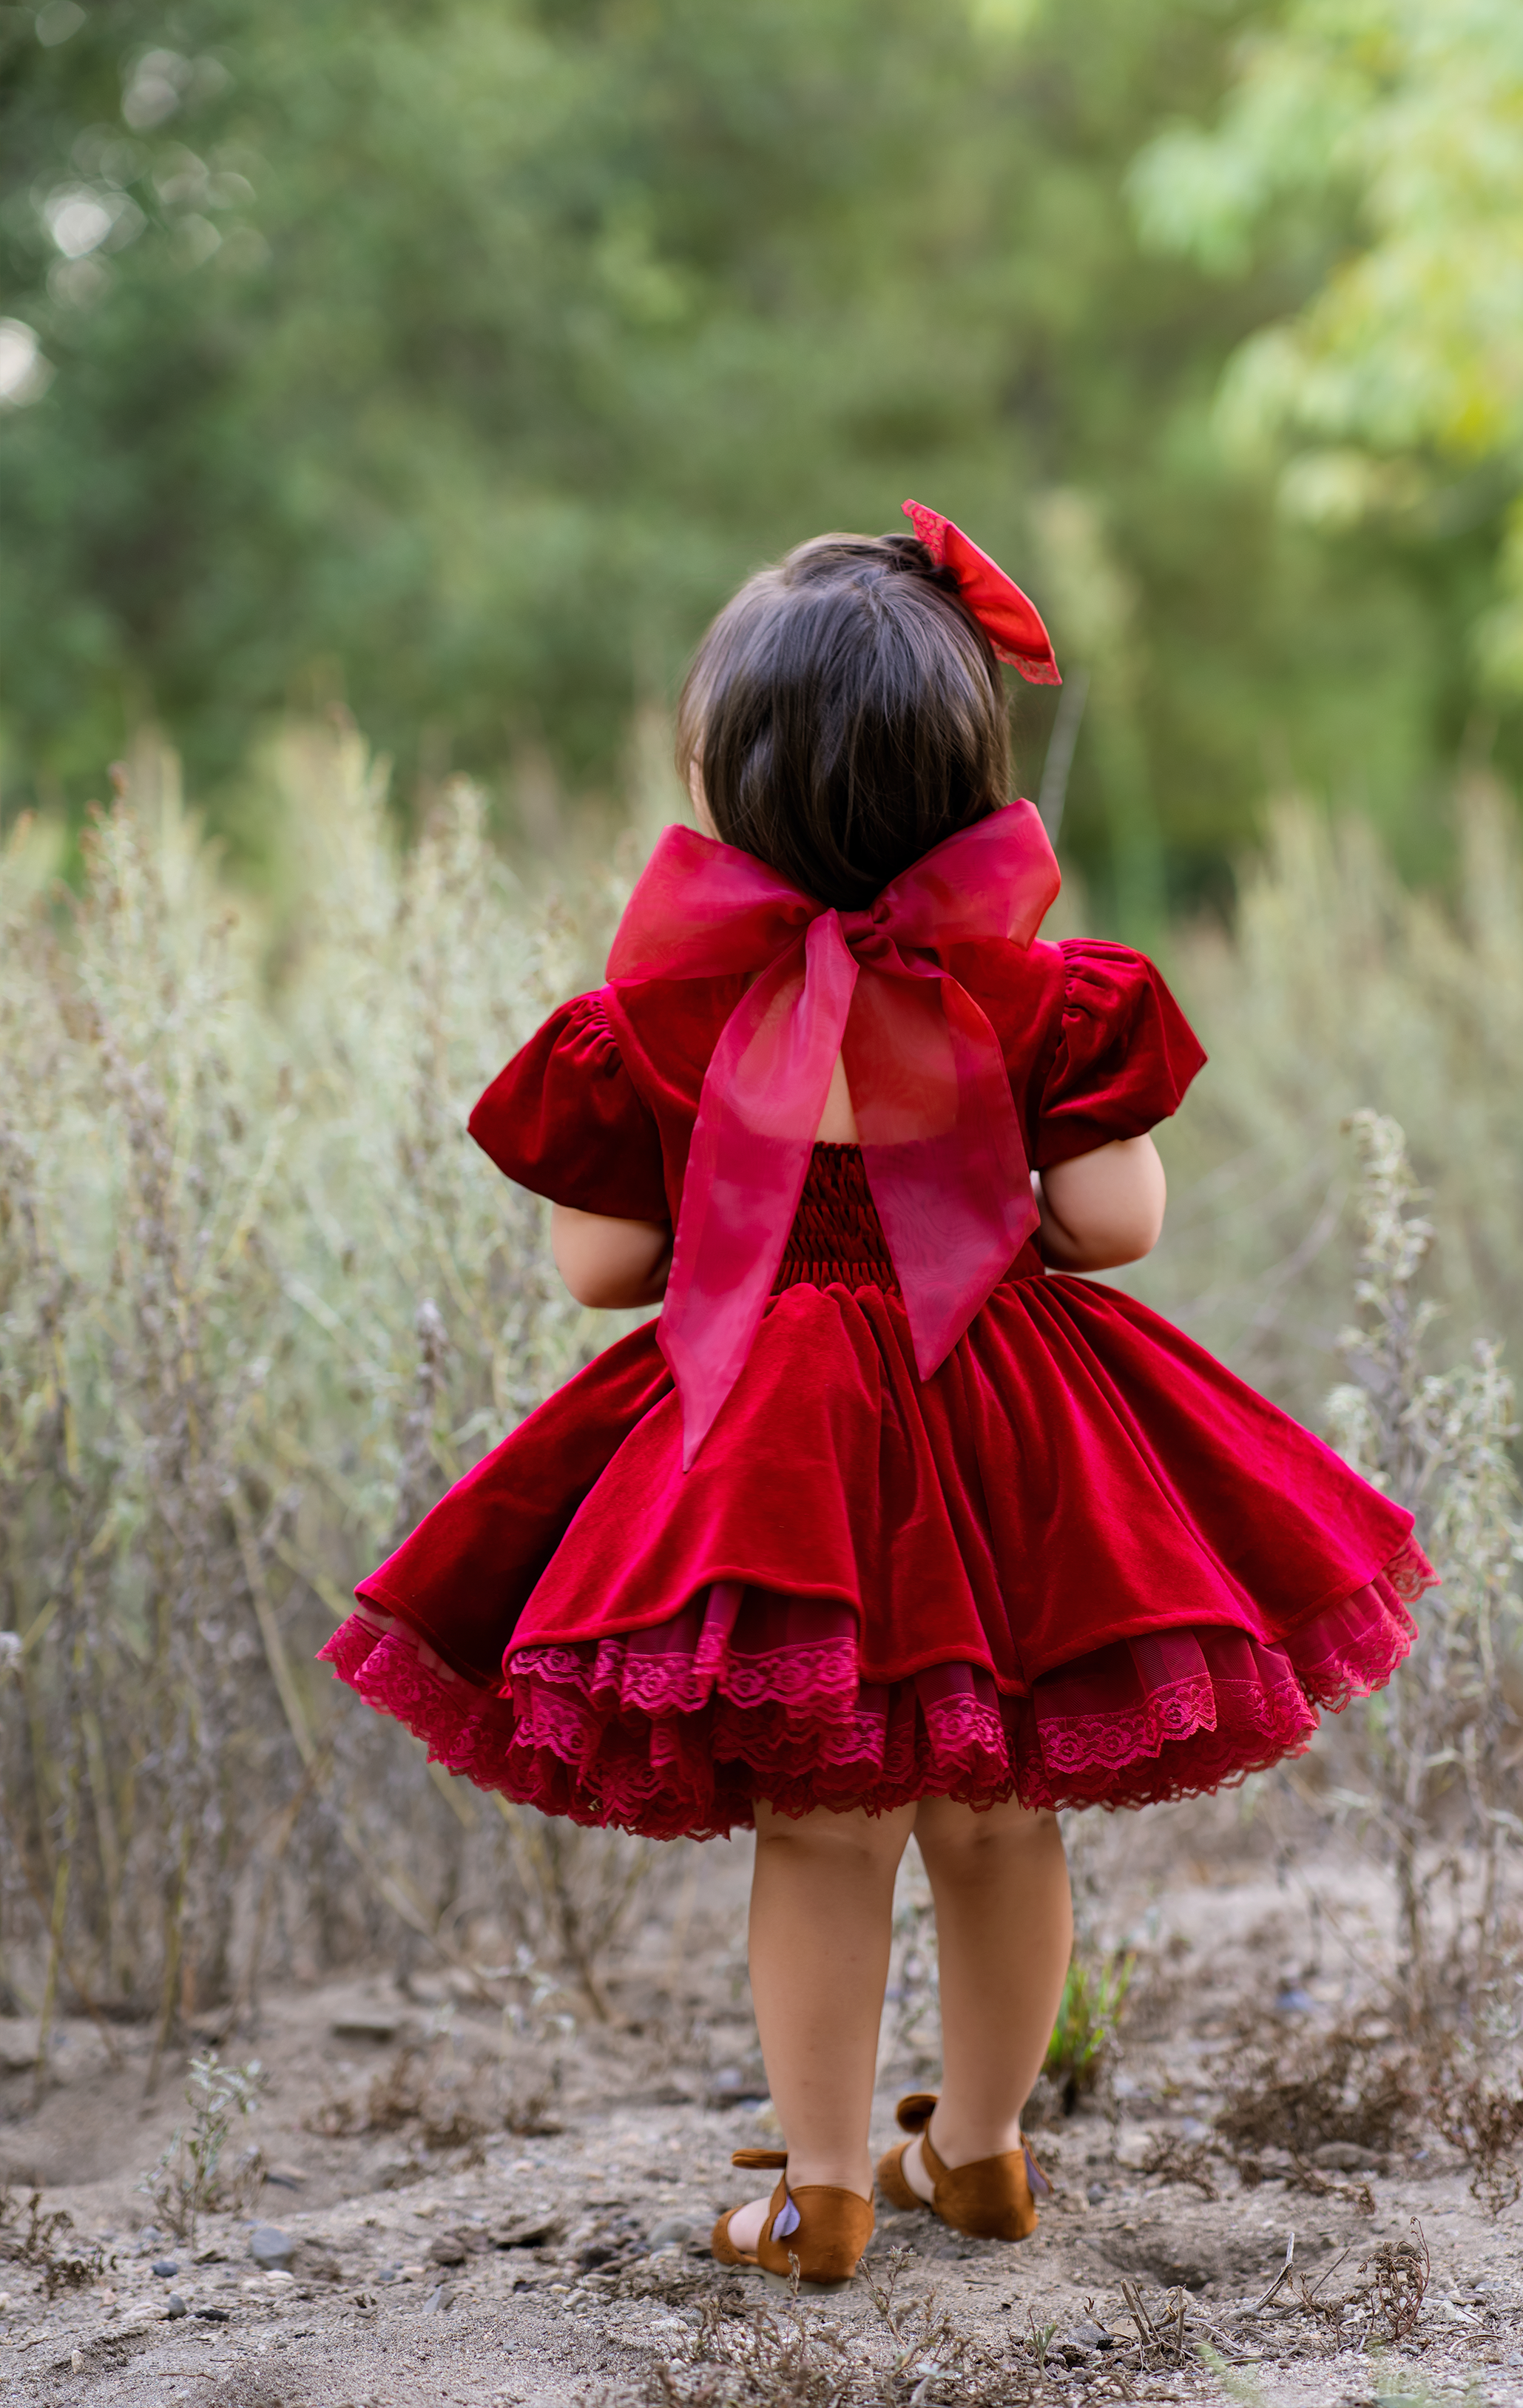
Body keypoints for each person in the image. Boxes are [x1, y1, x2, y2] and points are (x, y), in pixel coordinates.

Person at [321, 502, 1431, 2287]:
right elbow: (1112, 1226)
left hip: (777, 1448)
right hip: (1007, 1430)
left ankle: (818, 2188)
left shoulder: (662, 1016)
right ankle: (980, 2155)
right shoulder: (1040, 999)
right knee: (1000, 1821)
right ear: (969, 781)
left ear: (728, 780)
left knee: (821, 1831)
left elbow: (605, 1272)